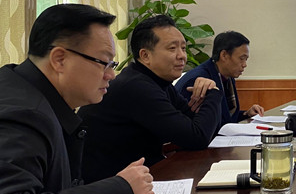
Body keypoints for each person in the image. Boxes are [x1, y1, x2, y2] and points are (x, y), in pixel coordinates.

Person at [0, 4, 153, 194]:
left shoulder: (25, 89)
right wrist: (121, 190)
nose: (111, 75)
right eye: (104, 62)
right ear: (59, 59)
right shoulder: (20, 114)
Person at [79, 15, 223, 183]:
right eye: (172, 48)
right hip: (108, 186)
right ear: (145, 55)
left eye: (183, 48)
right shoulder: (136, 86)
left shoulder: (159, 82)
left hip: (138, 178)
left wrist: (209, 91)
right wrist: (213, 93)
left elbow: (202, 127)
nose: (182, 56)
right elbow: (197, 137)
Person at [175, 30, 264, 131]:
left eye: (246, 59)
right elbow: (195, 123)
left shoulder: (227, 77)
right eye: (241, 58)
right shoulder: (200, 80)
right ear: (224, 55)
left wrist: (246, 114)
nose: (244, 64)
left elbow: (224, 118)